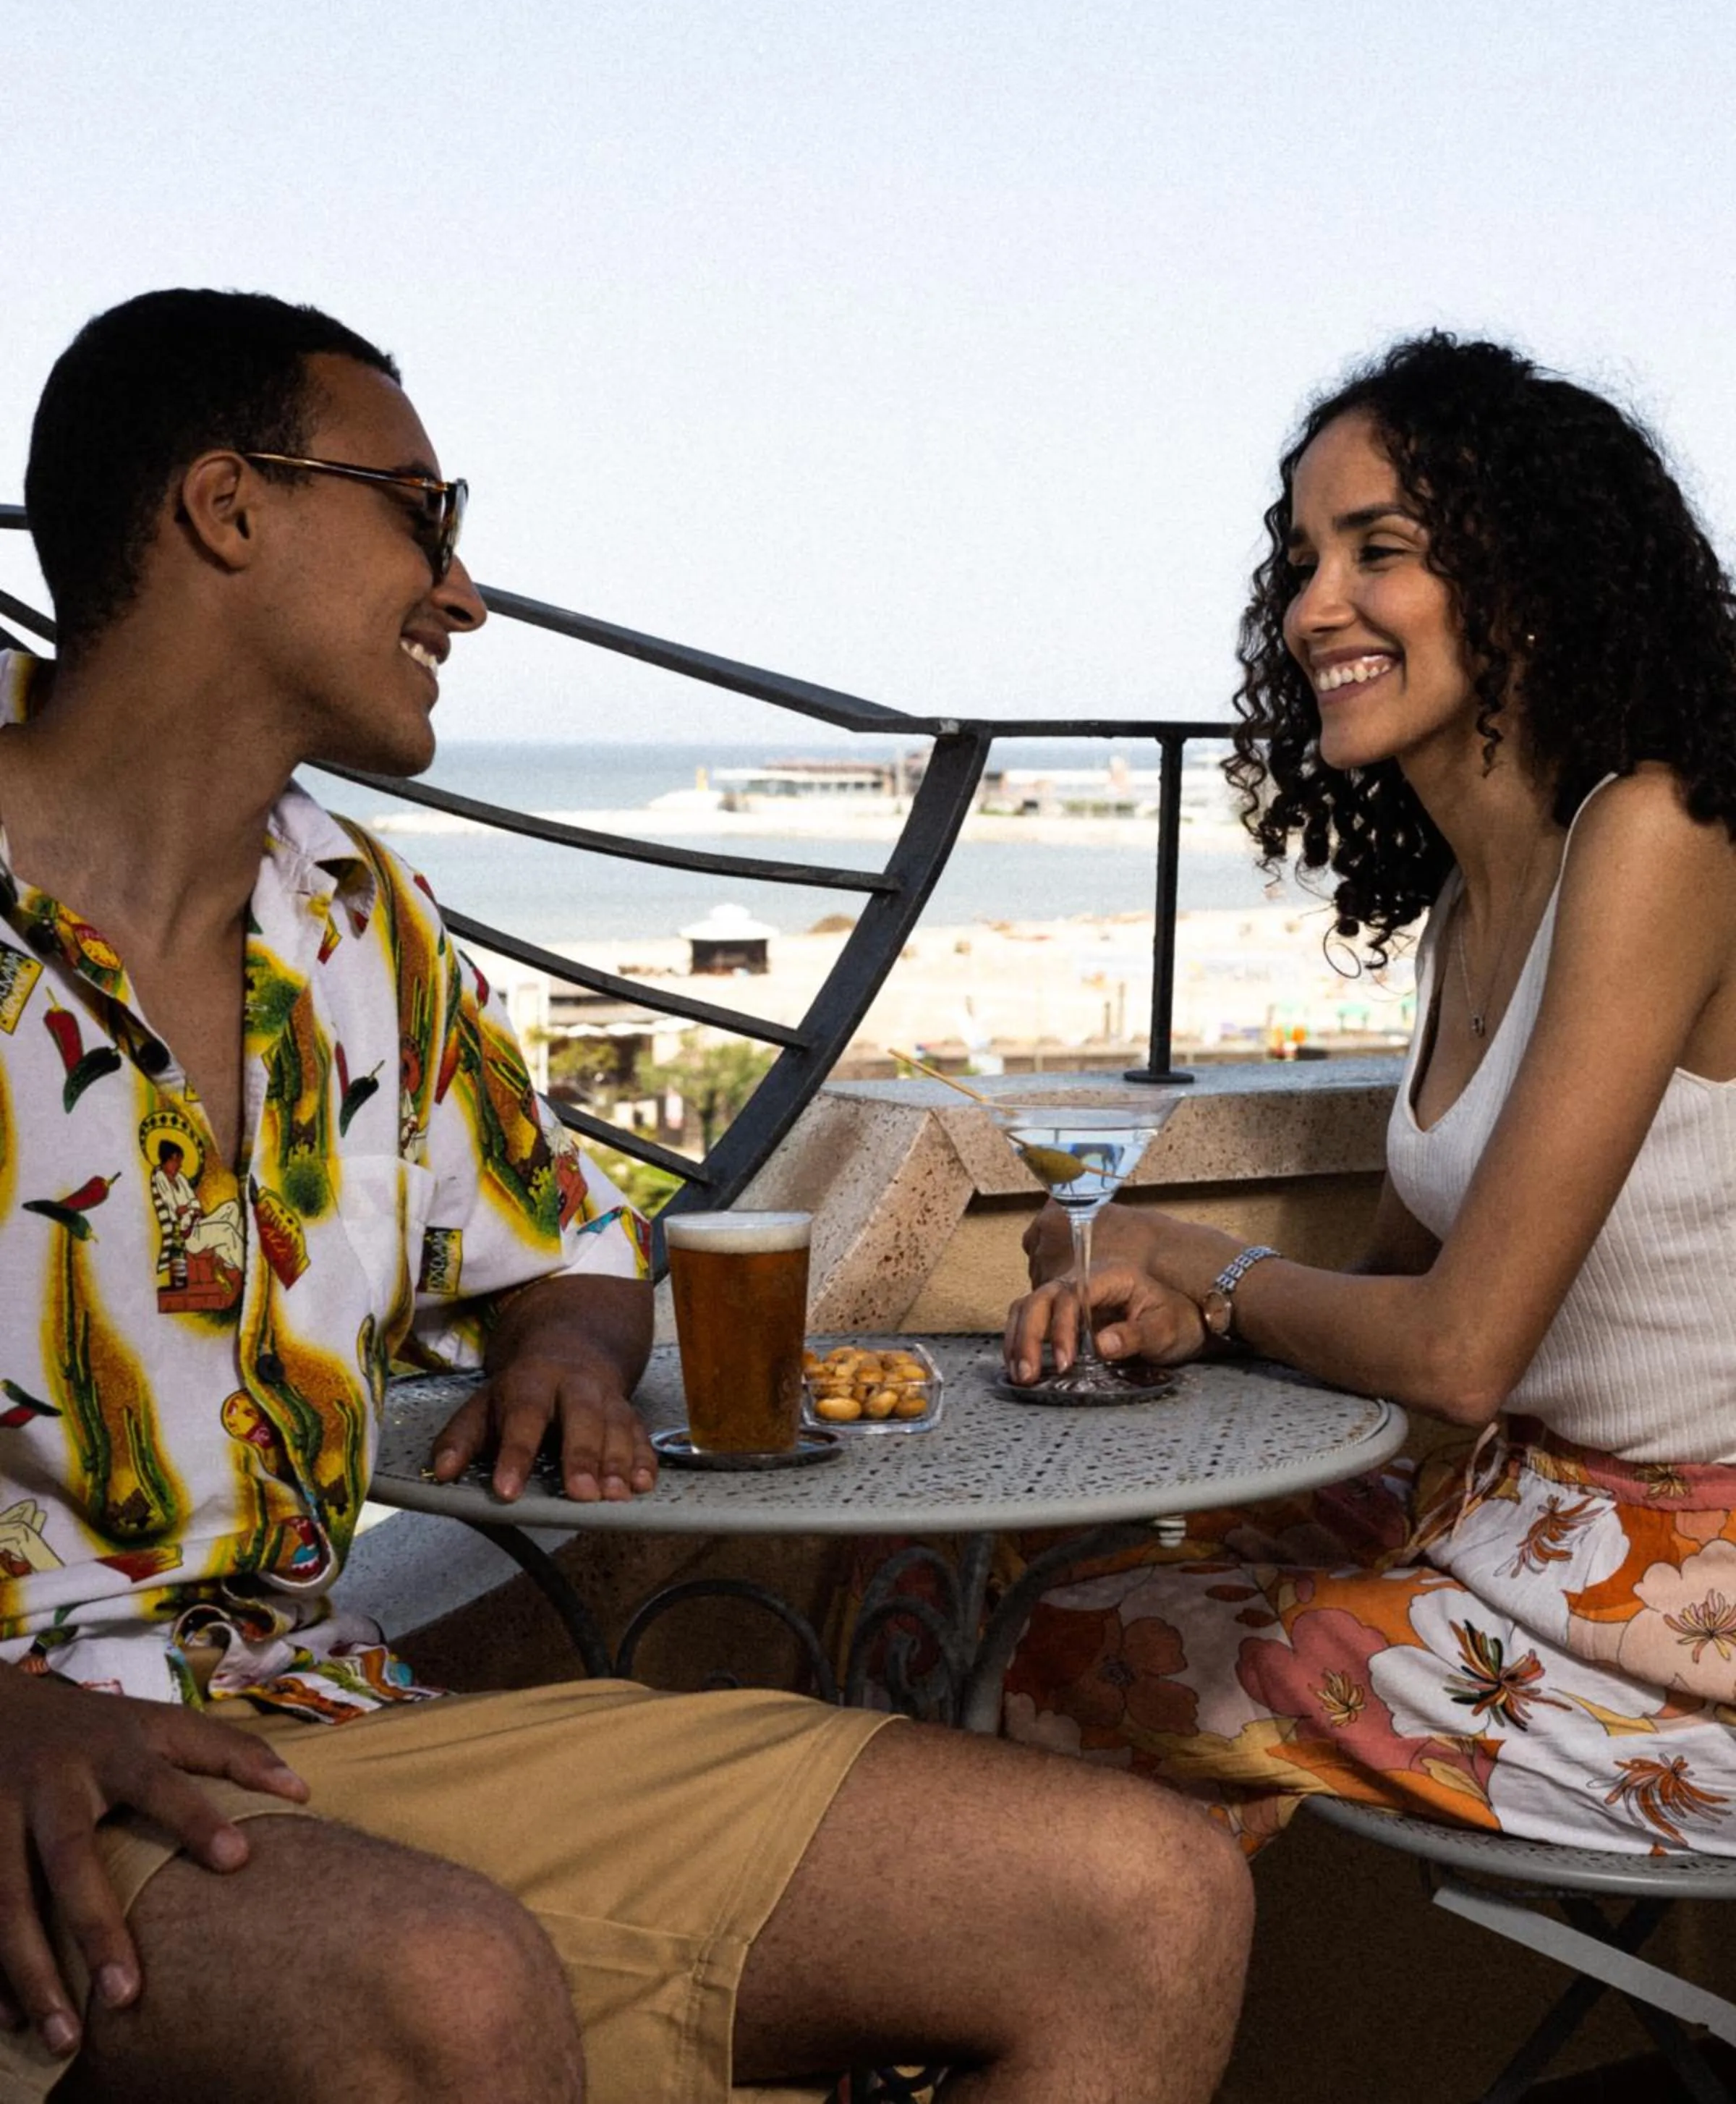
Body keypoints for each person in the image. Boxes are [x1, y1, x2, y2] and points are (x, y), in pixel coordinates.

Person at [0, 289, 1251, 2104]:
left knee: (1145, 1897)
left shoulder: (360, 930)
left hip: (305, 1715)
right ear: (228, 507)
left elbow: (570, 1239)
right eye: (425, 514)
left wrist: (570, 1352)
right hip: (37, 1769)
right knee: (449, 1990)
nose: (465, 592)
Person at [1005, 333, 1736, 1859]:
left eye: (1378, 551)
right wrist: (1183, 1302)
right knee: (988, 1571)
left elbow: (1462, 1352)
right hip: (1512, 1522)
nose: (1311, 604)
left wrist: (1219, 1263)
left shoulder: (1662, 835)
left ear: (1528, 580)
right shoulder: (1474, 906)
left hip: (1686, 1605)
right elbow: (1392, 1310)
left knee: (1104, 1636)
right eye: (1302, 557)